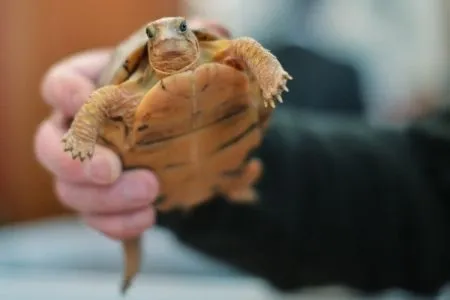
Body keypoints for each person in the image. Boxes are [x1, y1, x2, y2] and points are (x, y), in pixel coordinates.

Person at [34, 19, 450, 296]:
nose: (170, 39)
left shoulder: (231, 53)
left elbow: (246, 50)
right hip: (175, 190)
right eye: (156, 38)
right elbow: (426, 182)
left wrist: (268, 73)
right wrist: (83, 132)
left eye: (179, 30)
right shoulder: (121, 93)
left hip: (234, 178)